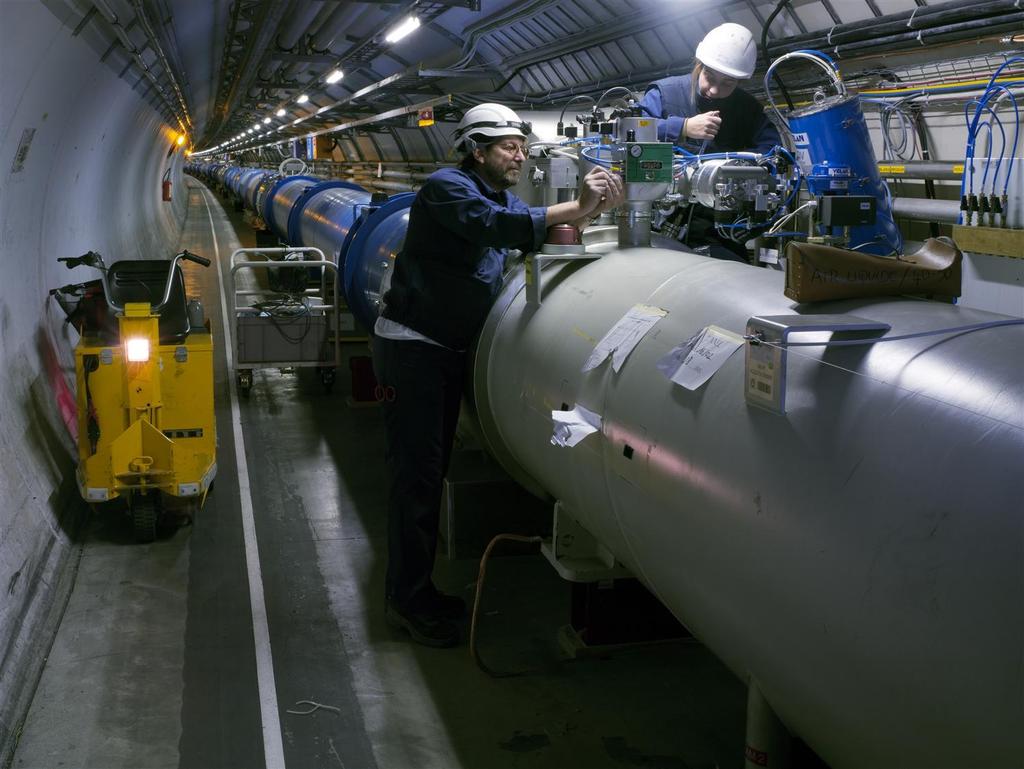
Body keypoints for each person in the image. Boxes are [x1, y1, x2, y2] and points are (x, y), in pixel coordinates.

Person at [372, 103, 624, 648]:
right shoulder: (445, 187)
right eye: (509, 146)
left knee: (430, 473)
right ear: (476, 149)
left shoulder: (501, 196)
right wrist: (574, 204)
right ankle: (405, 600)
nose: (520, 155)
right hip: (414, 349)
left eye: (522, 146)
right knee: (416, 479)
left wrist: (589, 215)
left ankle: (417, 590)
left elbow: (524, 233)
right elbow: (497, 227)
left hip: (446, 349)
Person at [641, 23, 782, 261]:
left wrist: (735, 168)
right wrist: (682, 127)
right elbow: (631, 132)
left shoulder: (746, 109)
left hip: (717, 230)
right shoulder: (665, 93)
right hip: (657, 221)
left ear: (740, 81)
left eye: (728, 83)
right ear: (699, 65)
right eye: (710, 76)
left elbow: (772, 150)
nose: (715, 90)